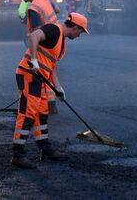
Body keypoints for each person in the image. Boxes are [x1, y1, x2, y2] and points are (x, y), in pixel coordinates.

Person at [12, 12, 89, 169]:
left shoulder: (61, 42)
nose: (80, 35)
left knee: (41, 113)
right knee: (27, 113)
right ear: (75, 27)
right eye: (81, 31)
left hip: (39, 78)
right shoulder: (54, 30)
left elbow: (51, 65)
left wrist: (58, 87)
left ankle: (45, 148)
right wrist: (33, 60)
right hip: (29, 74)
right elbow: (33, 37)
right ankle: (18, 154)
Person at [19, 0, 60, 112]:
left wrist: (33, 58)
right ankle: (51, 103)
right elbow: (57, 10)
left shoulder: (33, 9)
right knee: (48, 70)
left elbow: (36, 31)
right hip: (54, 36)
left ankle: (40, 105)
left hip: (43, 40)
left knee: (39, 73)